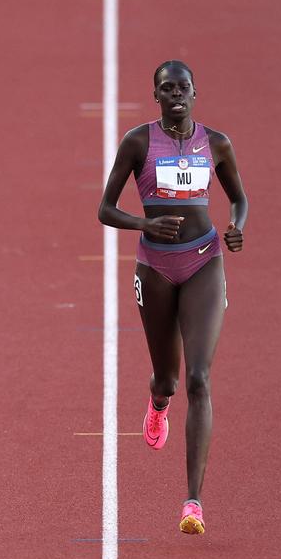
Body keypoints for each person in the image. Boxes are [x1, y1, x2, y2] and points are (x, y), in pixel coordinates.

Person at [97, 60, 248, 535]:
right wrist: (144, 224)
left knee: (199, 378)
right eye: (167, 88)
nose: (176, 94)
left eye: (183, 87)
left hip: (204, 261)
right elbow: (105, 208)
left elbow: (239, 199)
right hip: (156, 267)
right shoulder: (138, 142)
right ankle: (158, 403)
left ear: (195, 92)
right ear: (156, 96)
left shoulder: (216, 143)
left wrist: (236, 228)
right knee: (169, 378)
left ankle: (192, 503)